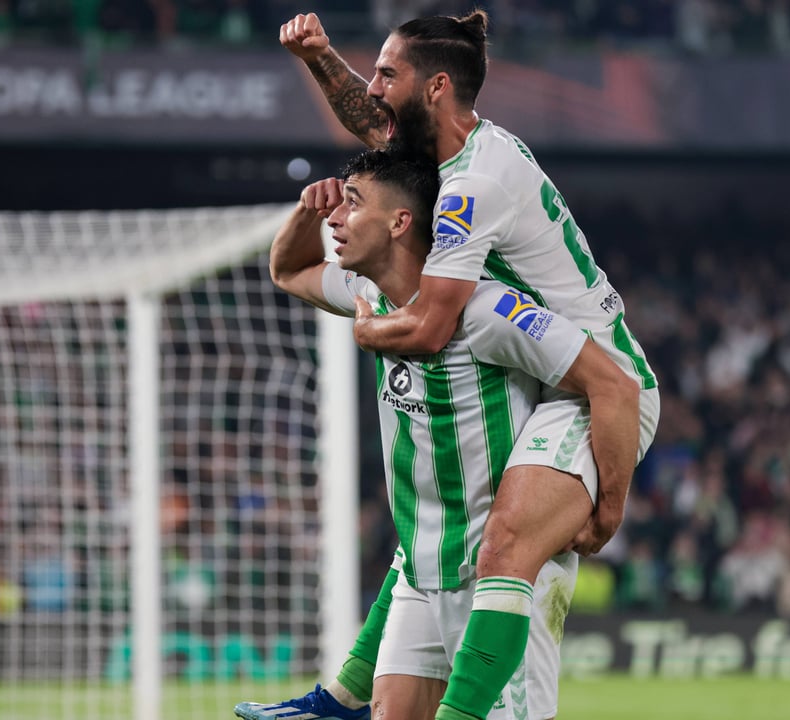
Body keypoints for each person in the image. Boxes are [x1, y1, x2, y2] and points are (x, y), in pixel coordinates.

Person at [257, 11, 660, 720]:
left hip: (595, 386)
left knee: (503, 542)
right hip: (533, 368)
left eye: (388, 74)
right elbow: (370, 125)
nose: (374, 88)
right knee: (439, 531)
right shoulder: (432, 157)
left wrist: (610, 507)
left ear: (437, 87)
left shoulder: (475, 183)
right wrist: (319, 55)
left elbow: (432, 325)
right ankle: (346, 694)